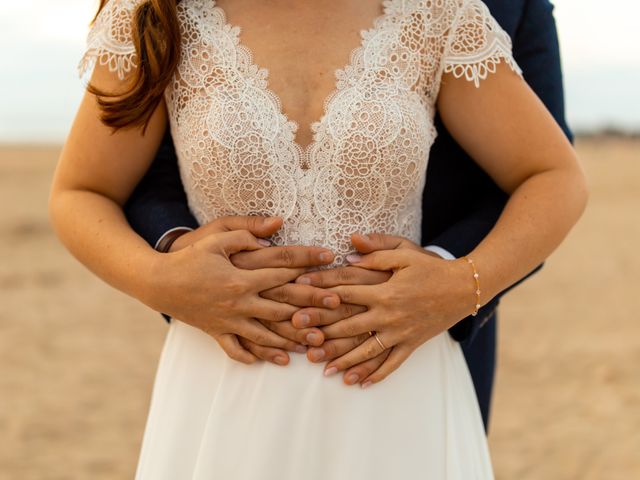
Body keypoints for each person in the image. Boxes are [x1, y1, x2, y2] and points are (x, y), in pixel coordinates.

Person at [49, 0, 587, 478]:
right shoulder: (152, 13)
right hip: (224, 388)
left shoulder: (436, 13)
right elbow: (81, 191)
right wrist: (159, 279)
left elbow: (554, 177)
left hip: (396, 382)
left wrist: (458, 286)